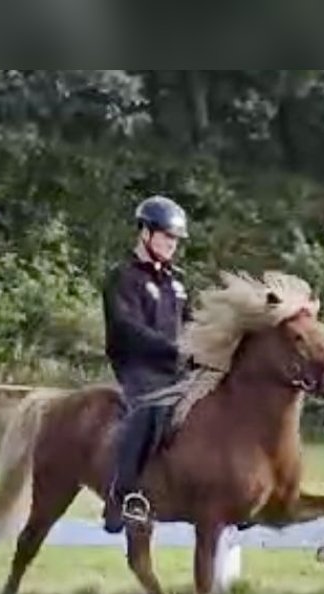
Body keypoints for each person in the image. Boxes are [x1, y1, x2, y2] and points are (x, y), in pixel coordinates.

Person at [100, 194, 192, 535]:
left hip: (177, 367)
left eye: (175, 240)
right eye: (167, 237)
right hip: (138, 368)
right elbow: (127, 329)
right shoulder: (122, 278)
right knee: (152, 406)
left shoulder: (177, 281)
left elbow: (193, 320)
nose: (173, 246)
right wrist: (173, 350)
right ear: (145, 233)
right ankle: (121, 496)